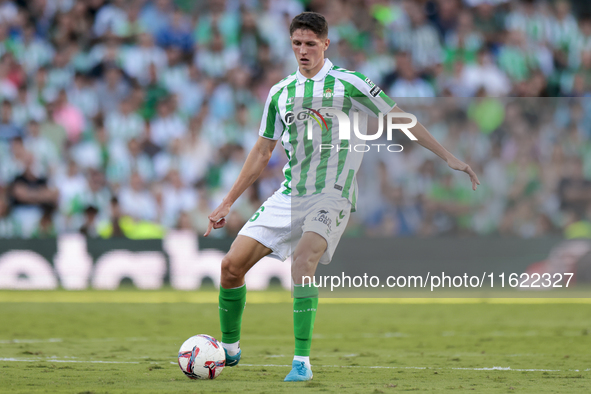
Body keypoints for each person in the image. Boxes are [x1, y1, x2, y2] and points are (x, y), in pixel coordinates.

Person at [204, 12, 480, 382]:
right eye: (297, 44)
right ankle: (230, 350)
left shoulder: (350, 83)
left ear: (326, 44)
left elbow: (402, 119)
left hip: (332, 195)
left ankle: (301, 362)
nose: (303, 51)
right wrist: (227, 202)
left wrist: (448, 157)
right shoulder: (280, 92)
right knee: (230, 267)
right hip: (290, 194)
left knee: (302, 261)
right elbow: (261, 152)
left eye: (310, 44)